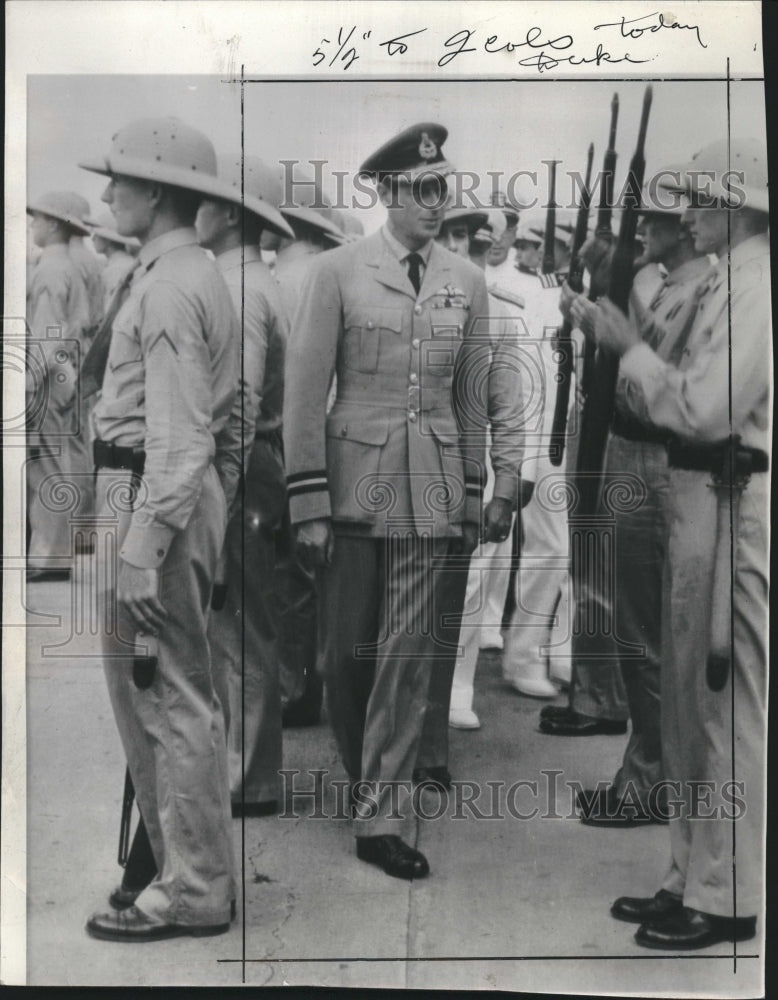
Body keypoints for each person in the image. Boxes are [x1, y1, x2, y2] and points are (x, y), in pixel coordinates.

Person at [283, 123, 489, 879]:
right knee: (344, 659)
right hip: (351, 489)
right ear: (386, 192)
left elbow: (469, 396)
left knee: (405, 660)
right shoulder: (337, 273)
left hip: (430, 491)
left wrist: (470, 494)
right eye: (422, 190)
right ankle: (366, 775)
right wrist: (306, 503)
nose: (438, 203)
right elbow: (304, 395)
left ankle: (383, 814)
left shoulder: (467, 281)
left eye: (443, 188)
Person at [596, 139, 769, 949]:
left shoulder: (756, 282)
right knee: (691, 701)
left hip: (731, 497)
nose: (688, 213)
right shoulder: (731, 278)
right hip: (701, 493)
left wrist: (626, 347)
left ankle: (728, 892)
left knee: (723, 697)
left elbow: (706, 407)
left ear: (738, 205)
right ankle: (690, 874)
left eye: (701, 199)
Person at [79, 116, 242, 941]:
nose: (110, 194)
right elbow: (225, 428)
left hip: (152, 495)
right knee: (160, 693)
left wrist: (143, 549)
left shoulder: (172, 286)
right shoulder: (185, 274)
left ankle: (194, 888)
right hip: (156, 492)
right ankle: (176, 866)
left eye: (122, 181)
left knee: (166, 695)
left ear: (158, 191)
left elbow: (184, 443)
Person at [556, 188, 710, 820]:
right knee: (633, 627)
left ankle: (651, 781)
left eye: (657, 219)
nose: (645, 226)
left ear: (682, 227)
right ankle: (642, 770)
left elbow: (655, 355)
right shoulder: (675, 283)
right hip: (633, 450)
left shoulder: (703, 289)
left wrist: (605, 316)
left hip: (654, 456)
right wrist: (603, 294)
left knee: (646, 636)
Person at [196, 153, 294, 816]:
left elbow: (238, 396)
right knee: (240, 623)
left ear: (230, 212)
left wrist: (220, 493)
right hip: (254, 460)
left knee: (237, 626)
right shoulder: (252, 282)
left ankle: (249, 777)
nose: (192, 209)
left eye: (203, 200)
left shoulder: (239, 288)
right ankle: (248, 770)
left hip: (241, 463)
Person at [431, 207, 525, 732]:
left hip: (464, 475)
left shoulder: (499, 312)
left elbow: (508, 408)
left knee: (465, 588)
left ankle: (456, 689)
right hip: (402, 476)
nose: (453, 243)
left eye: (463, 234)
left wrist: (506, 486)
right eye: (446, 231)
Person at [272, 171, 344, 728]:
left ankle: (294, 690)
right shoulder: (332, 271)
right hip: (333, 432)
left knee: (288, 573)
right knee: (313, 573)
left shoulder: (290, 277)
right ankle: (309, 683)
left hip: (286, 434)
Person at [25, 191, 92, 581]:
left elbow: (47, 338)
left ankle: (50, 557)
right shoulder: (68, 266)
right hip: (65, 371)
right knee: (53, 463)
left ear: (54, 224)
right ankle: (54, 553)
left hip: (50, 373)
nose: (34, 225)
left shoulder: (51, 270)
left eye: (39, 219)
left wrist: (28, 385)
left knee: (45, 466)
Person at [90, 212, 140, 310]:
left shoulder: (116, 269)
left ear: (107, 240)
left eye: (96, 234)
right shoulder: (127, 263)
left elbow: (111, 310)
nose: (93, 239)